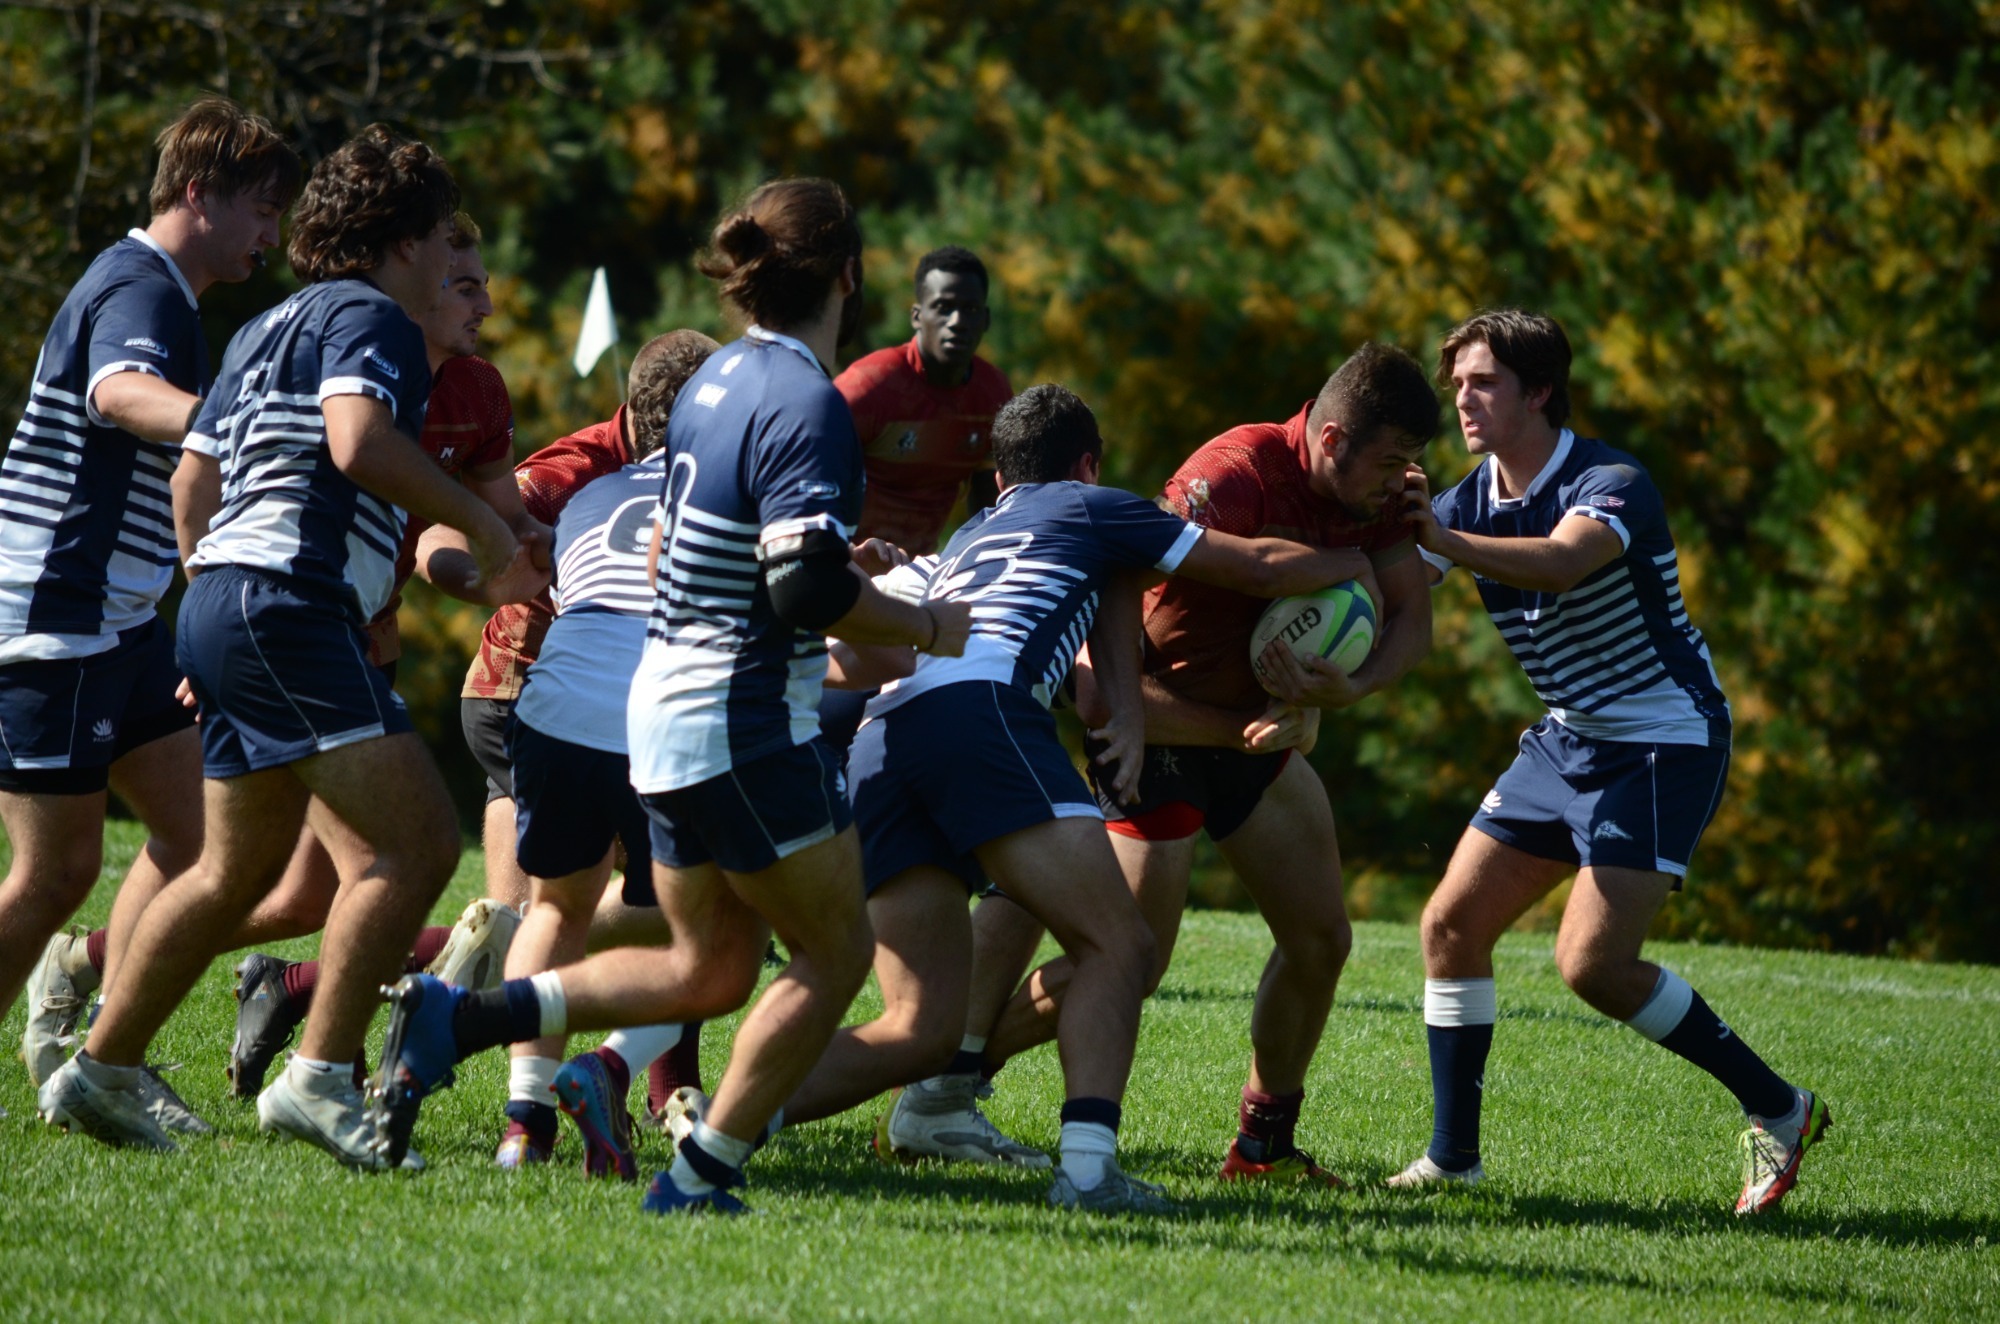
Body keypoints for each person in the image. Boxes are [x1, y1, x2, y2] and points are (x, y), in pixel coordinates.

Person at [367, 177, 972, 1216]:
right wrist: (923, 625)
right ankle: (699, 1177)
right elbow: (804, 586)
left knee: (709, 965)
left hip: (662, 714)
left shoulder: (713, 379)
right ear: (850, 276)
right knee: (836, 949)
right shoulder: (809, 401)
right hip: (743, 722)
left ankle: (454, 1019)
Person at [768, 383, 1400, 1213]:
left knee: (918, 1026)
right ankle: (1090, 1171)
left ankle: (728, 1120)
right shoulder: (1095, 507)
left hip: (881, 744)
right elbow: (1251, 564)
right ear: (1089, 465)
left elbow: (857, 664)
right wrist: (1366, 560)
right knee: (1119, 947)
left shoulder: (963, 540)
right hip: (983, 715)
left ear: (998, 478)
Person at [38, 125, 531, 1169]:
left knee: (233, 866)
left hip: (226, 599)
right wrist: (482, 527)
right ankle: (319, 1077)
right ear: (400, 238)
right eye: (445, 237)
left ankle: (101, 1062)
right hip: (288, 606)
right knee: (416, 846)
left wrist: (207, 590)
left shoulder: (265, 325)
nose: (456, 262)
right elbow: (358, 440)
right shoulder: (374, 318)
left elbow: (193, 479)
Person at [901, 345, 1442, 1186]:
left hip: (1253, 743)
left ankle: (1262, 1148)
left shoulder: (1379, 493)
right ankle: (947, 1080)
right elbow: (1110, 582)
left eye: (1410, 464)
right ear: (1332, 439)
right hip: (1160, 736)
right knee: (1127, 960)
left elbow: (1414, 620)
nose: (1400, 481)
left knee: (1320, 939)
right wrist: (1164, 718)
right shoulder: (1231, 475)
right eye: (1390, 462)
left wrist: (1347, 688)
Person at [1388, 309, 1828, 1214]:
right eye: (1457, 383)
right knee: (1450, 927)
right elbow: (1389, 589)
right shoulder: (1466, 501)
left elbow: (1559, 563)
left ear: (1539, 391)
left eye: (1483, 383)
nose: (1461, 400)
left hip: (1663, 740)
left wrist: (1439, 540)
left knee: (1590, 964)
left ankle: (1779, 1108)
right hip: (1570, 735)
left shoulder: (1609, 480)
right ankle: (1453, 1160)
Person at [4, 98, 300, 1118]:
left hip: (123, 624)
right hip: (57, 618)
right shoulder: (141, 284)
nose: (272, 235)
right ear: (196, 194)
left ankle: (103, 1059)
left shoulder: (166, 292)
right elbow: (118, 393)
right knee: (55, 874)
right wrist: (233, 427)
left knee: (201, 842)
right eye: (262, 210)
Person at [217, 213, 548, 1100]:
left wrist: (538, 567)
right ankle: (318, 1070)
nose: (483, 303)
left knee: (302, 891)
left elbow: (496, 523)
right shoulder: (360, 353)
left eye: (485, 283)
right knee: (345, 870)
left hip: (366, 642)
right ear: (422, 275)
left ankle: (286, 1003)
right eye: (465, 283)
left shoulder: (478, 390)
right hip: (293, 630)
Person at [451, 331, 720, 1128]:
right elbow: (465, 519)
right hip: (528, 691)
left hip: (553, 706)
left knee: (544, 920)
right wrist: (484, 575)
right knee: (702, 917)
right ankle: (603, 1067)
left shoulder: (601, 494)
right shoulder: (577, 471)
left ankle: (525, 1122)